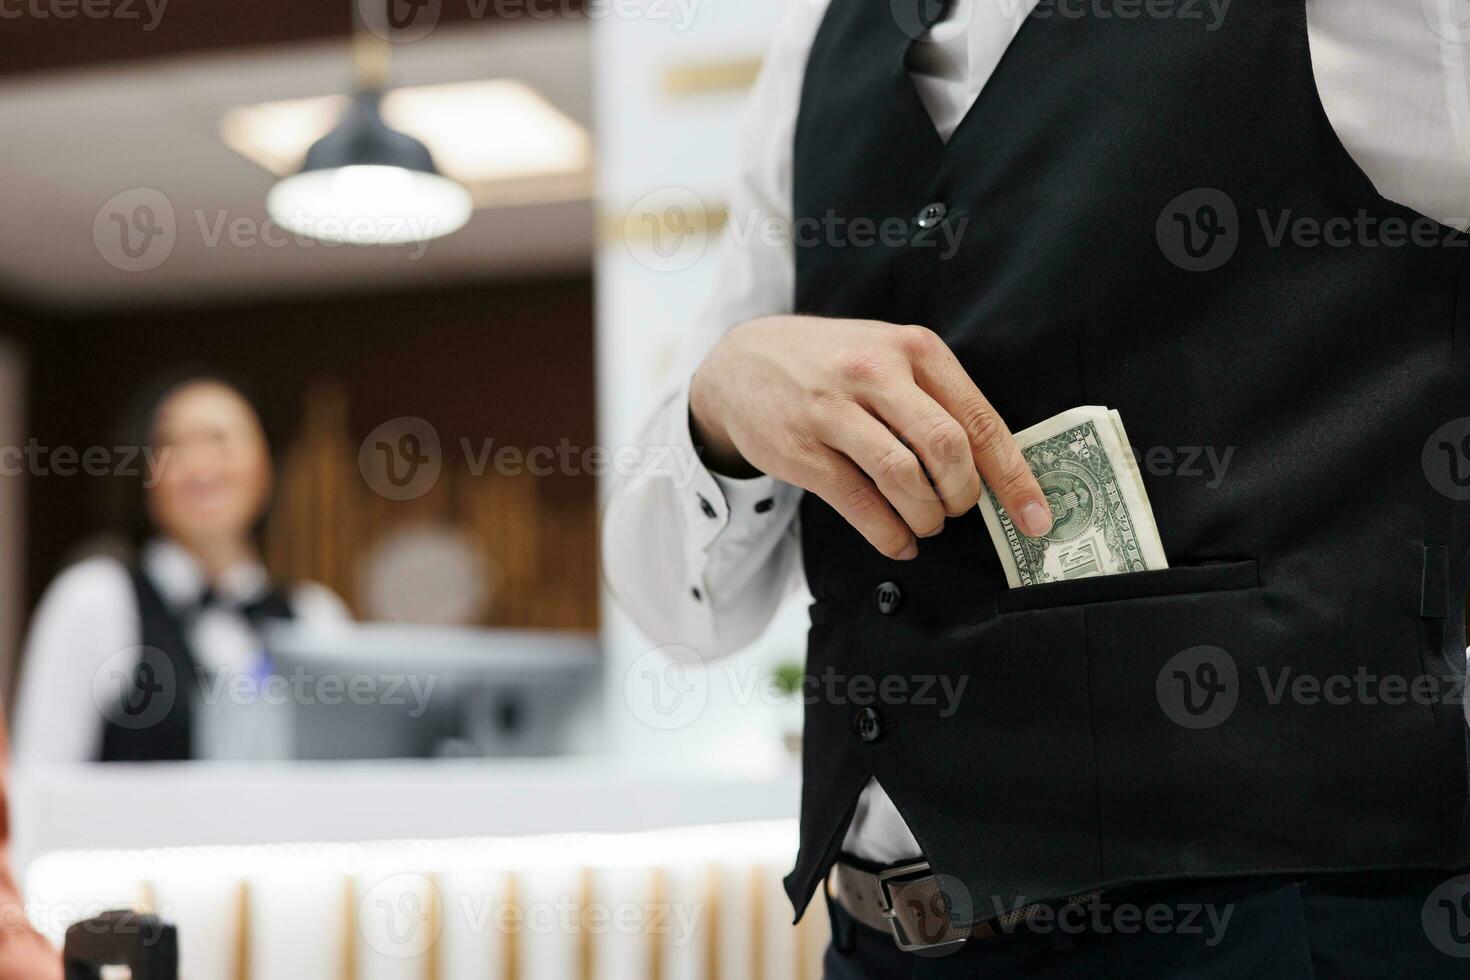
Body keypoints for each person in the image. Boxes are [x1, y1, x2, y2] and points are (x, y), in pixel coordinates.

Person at [604, 0, 1470, 975]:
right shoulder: (819, 41)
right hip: (877, 940)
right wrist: (720, 407)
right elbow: (679, 609)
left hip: (1280, 927)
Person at [13, 370, 349, 764]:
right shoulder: (97, 599)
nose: (200, 466)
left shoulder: (315, 617)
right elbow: (41, 780)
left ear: (265, 468)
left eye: (220, 441)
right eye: (173, 445)